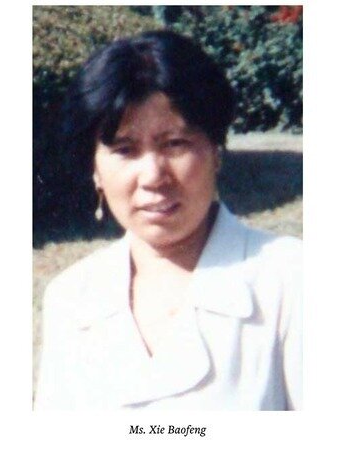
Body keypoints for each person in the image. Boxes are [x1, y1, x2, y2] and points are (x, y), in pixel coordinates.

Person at [34, 30, 301, 410]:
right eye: (125, 150)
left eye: (175, 144)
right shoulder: (71, 297)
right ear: (95, 169)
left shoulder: (290, 279)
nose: (153, 176)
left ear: (216, 150)